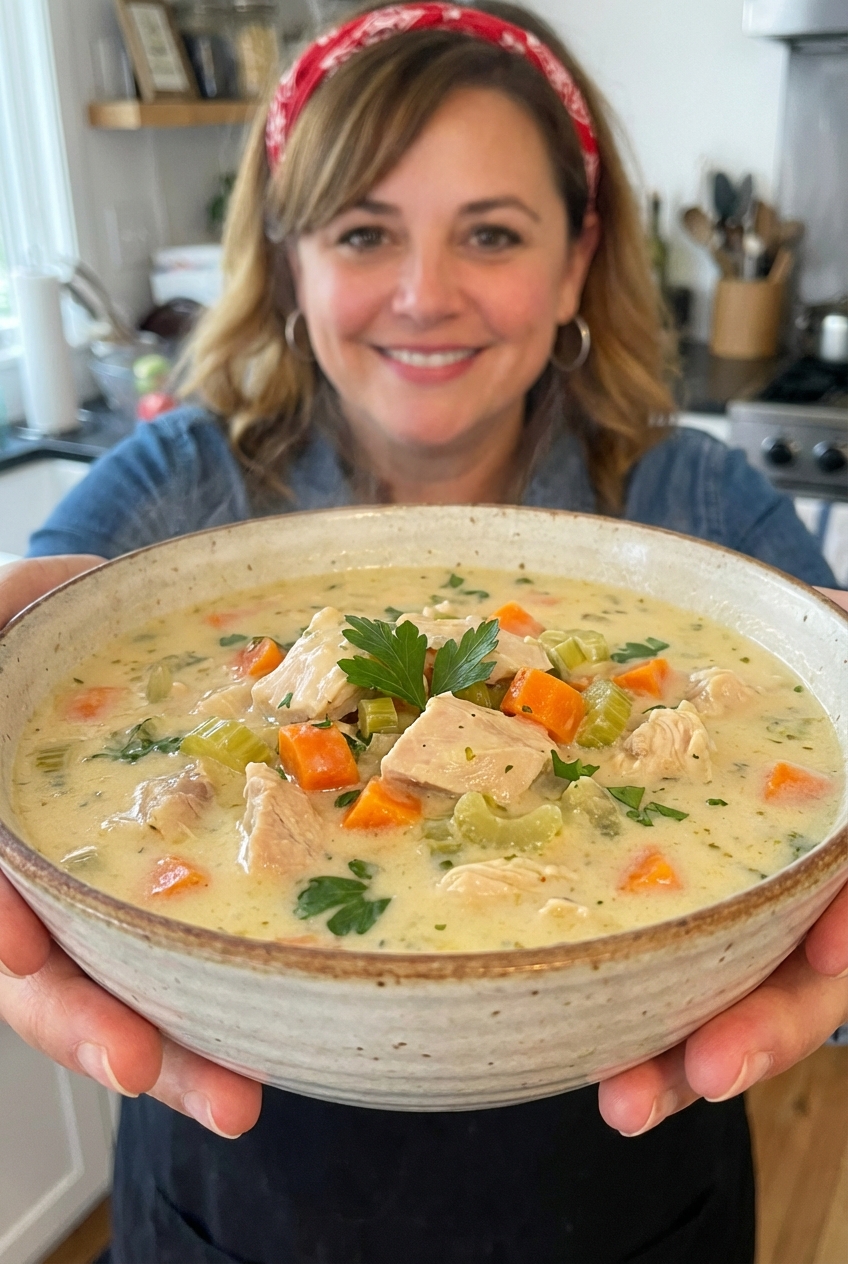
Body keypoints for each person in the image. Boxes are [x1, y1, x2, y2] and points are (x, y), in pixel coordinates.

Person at [1, 4, 846, 1261]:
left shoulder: (699, 505)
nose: (422, 294)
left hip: (631, 1193)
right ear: (289, 259)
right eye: (362, 232)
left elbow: (811, 900)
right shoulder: (165, 491)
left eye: (491, 234)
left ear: (574, 261)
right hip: (233, 1199)